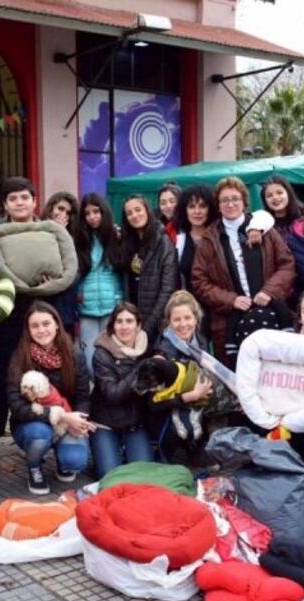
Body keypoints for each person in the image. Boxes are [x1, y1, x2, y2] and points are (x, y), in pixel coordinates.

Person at [0, 177, 79, 470]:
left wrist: (50, 283)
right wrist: (15, 283)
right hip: (4, 315)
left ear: (34, 201)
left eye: (25, 197)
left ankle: (58, 432)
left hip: (43, 311)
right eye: (13, 198)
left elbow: (69, 271)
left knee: (50, 373)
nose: (20, 202)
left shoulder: (51, 231)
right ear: (5, 204)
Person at [192, 176, 295, 365]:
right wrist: (231, 300)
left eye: (235, 199)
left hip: (271, 315)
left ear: (244, 202)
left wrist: (269, 291)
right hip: (228, 323)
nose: (230, 204)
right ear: (218, 204)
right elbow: (199, 281)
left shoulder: (265, 230)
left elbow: (287, 265)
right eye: (225, 200)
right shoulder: (209, 240)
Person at [6, 302, 94, 494]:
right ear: (28, 330)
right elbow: (16, 406)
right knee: (38, 435)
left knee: (75, 461)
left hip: (68, 415)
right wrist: (60, 416)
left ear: (57, 324)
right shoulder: (20, 356)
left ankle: (63, 458)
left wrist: (79, 419)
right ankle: (34, 466)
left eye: (46, 324)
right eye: (35, 326)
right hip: (30, 421)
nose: (41, 330)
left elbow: (83, 396)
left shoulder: (74, 353)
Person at [90, 303, 154, 478]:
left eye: (129, 321)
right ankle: (103, 451)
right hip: (105, 422)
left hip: (134, 423)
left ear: (138, 325)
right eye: (119, 321)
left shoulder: (147, 348)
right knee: (110, 475)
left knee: (144, 475)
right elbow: (113, 394)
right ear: (113, 326)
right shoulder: (101, 353)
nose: (124, 327)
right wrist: (139, 369)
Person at [150, 291, 216, 461]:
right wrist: (191, 396)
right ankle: (168, 448)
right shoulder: (162, 351)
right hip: (170, 409)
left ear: (196, 319)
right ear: (169, 322)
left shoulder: (201, 341)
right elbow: (154, 404)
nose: (183, 324)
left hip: (198, 403)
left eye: (187, 318)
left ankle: (198, 446)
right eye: (177, 319)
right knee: (178, 434)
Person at [119, 194, 178, 346]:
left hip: (156, 323)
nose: (134, 215)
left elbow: (168, 289)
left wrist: (148, 327)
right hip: (132, 320)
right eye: (129, 213)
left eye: (138, 210)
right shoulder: (127, 243)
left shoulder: (163, 241)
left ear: (147, 210)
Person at [74, 192, 124, 371]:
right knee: (89, 360)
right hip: (86, 306)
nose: (92, 217)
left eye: (96, 211)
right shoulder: (79, 240)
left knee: (112, 357)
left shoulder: (116, 237)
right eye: (87, 213)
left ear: (104, 212)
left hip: (113, 305)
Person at [40, 191, 81, 338]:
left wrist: (62, 233)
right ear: (51, 208)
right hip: (42, 303)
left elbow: (75, 271)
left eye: (68, 212)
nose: (64, 214)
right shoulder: (37, 229)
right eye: (60, 208)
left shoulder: (73, 237)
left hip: (64, 307)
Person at [171, 184, 218, 296]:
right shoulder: (178, 242)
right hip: (190, 307)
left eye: (202, 206)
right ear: (184, 210)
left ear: (210, 209)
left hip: (219, 306)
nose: (197, 211)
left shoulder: (220, 237)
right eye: (191, 206)